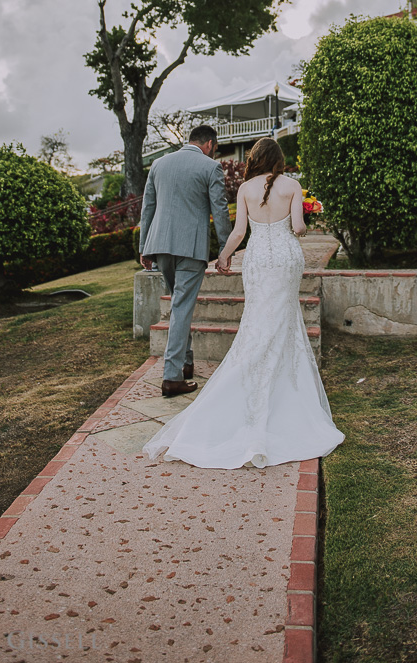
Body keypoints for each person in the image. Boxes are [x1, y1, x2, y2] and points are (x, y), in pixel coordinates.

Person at [142, 137, 344, 469]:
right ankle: (285, 393)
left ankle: (247, 388)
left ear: (256, 159)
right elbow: (298, 228)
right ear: (279, 160)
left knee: (258, 322)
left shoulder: (245, 189)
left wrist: (222, 258)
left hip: (258, 260)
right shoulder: (293, 186)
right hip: (285, 260)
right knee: (284, 320)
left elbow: (237, 233)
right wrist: (305, 218)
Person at [139, 124, 232, 398]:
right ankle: (171, 377)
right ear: (210, 144)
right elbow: (220, 210)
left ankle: (186, 362)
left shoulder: (158, 164)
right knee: (181, 306)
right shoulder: (210, 167)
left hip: (160, 246)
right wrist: (226, 249)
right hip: (191, 248)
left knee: (180, 305)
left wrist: (144, 248)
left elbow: (148, 208)